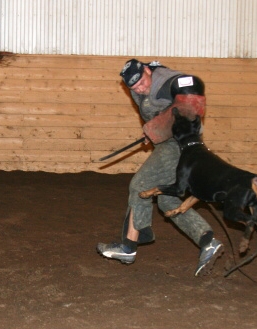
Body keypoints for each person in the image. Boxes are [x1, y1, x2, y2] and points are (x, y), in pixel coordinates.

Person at [96, 59, 224, 276]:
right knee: (167, 200)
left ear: (148, 70)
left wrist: (159, 127)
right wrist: (153, 130)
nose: (140, 88)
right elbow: (159, 114)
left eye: (142, 83)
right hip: (171, 144)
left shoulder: (165, 80)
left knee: (140, 186)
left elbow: (191, 85)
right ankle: (207, 241)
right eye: (134, 87)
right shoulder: (138, 87)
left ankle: (129, 246)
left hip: (177, 145)